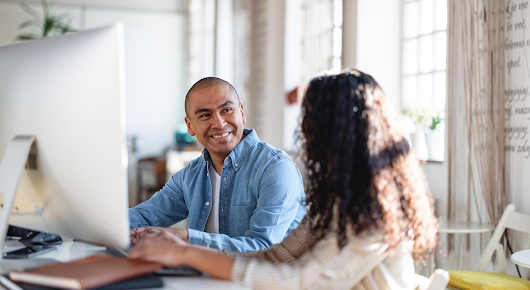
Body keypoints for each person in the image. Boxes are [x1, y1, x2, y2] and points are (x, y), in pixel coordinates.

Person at [129, 70, 439, 289]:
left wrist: (184, 250)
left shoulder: (376, 214)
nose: (305, 134)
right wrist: (187, 249)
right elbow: (277, 255)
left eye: (311, 123)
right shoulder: (339, 199)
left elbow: (299, 282)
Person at [129, 77, 306, 251]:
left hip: (258, 279)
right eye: (205, 115)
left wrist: (187, 238)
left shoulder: (276, 168)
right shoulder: (190, 176)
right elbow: (143, 216)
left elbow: (263, 249)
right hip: (204, 278)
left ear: (242, 114)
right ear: (189, 126)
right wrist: (106, 223)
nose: (219, 123)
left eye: (227, 110)